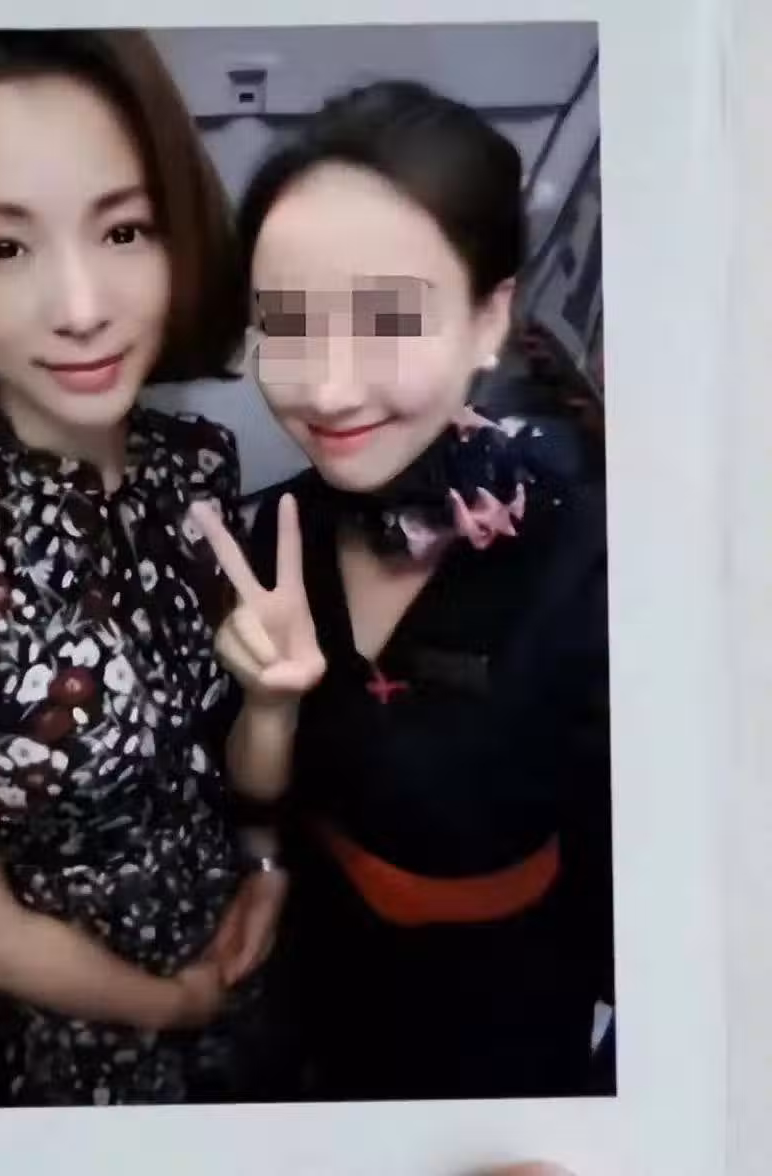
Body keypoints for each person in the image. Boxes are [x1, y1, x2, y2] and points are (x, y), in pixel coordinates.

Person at [0, 29, 284, 1107]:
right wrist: (174, 1005)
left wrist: (267, 864)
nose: (80, 307)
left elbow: (222, 739)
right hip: (97, 1041)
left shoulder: (195, 465)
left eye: (124, 229)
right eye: (2, 248)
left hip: (251, 945)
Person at [194, 80, 613, 1101]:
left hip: (505, 1015)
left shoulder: (593, 557)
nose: (329, 390)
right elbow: (259, 804)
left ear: (487, 320)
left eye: (388, 323)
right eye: (287, 325)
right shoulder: (270, 537)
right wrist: (268, 709)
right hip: (319, 976)